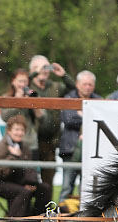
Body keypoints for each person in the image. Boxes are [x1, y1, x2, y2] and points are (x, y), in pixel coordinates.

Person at [0, 115, 52, 217]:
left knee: (44, 188)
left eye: (22, 130)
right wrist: (13, 156)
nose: (20, 133)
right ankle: (15, 220)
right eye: (17, 129)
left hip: (18, 180)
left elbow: (30, 168)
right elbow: (3, 172)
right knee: (23, 191)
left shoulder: (25, 147)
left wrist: (32, 183)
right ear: (8, 130)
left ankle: (39, 217)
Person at [27, 55, 75, 190]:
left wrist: (63, 75)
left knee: (48, 182)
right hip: (30, 141)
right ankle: (29, 210)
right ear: (32, 70)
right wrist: (35, 73)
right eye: (39, 67)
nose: (44, 70)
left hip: (50, 142)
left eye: (46, 67)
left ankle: (46, 209)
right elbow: (19, 84)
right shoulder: (27, 86)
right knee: (28, 181)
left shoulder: (55, 86)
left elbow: (73, 88)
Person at [59, 70, 101, 204]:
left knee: (87, 189)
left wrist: (82, 115)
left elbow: (101, 121)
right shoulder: (68, 98)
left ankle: (83, 219)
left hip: (91, 152)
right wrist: (89, 117)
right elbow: (69, 120)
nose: (87, 87)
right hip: (70, 149)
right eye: (85, 84)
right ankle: (61, 215)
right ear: (77, 84)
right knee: (67, 186)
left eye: (90, 84)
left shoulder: (99, 100)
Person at [0, 68, 39, 154]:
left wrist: (33, 104)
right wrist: (18, 102)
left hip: (30, 142)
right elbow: (4, 117)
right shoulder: (6, 97)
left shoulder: (32, 95)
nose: (23, 84)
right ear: (13, 81)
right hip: (11, 142)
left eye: (25, 82)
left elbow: (43, 118)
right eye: (20, 81)